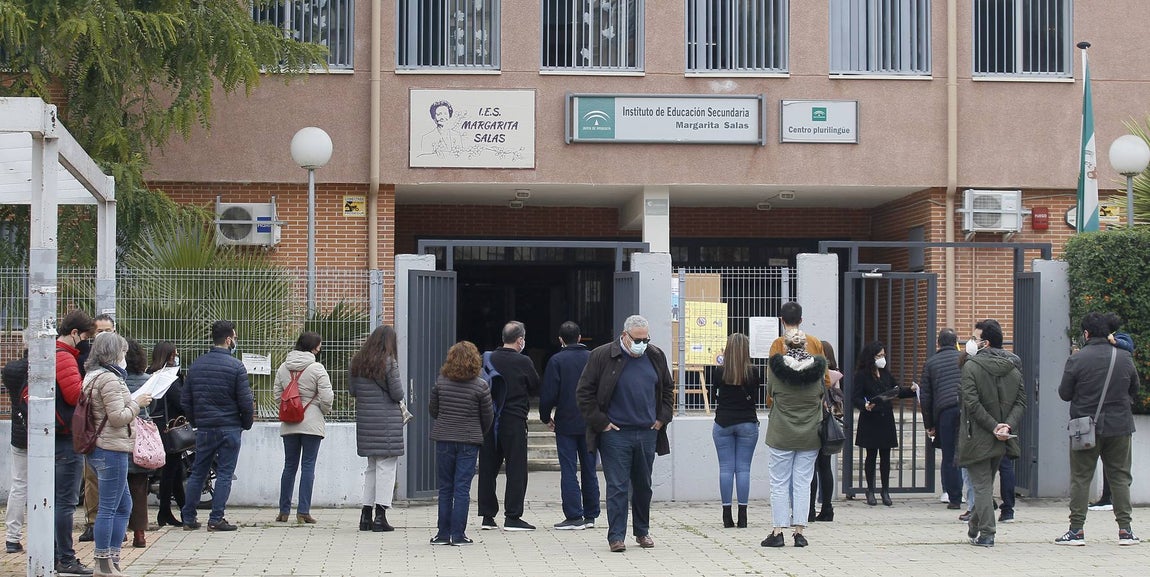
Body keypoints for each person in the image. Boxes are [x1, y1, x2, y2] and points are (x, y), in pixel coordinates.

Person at [576, 314, 674, 553]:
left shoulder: (655, 355)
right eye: (637, 339)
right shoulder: (602, 355)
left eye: (646, 338)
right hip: (615, 434)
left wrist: (662, 419)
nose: (642, 343)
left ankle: (642, 531)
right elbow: (584, 393)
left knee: (643, 485)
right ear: (624, 336)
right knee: (618, 486)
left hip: (647, 431)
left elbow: (667, 389)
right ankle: (616, 537)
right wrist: (602, 423)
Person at [1055, 312, 1140, 546]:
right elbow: (1135, 389)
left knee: (1081, 478)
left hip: (1085, 427)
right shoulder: (1124, 357)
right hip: (1120, 425)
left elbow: (1064, 393)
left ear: (1086, 334)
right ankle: (1125, 530)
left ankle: (1076, 531)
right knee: (1121, 477)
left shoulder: (1077, 359)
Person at [83, 332, 153, 576]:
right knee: (110, 507)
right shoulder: (110, 380)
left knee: (124, 505)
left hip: (104, 447)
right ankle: (103, 562)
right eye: (122, 352)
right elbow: (117, 417)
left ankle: (112, 559)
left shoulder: (93, 375)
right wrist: (138, 403)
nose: (125, 357)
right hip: (110, 448)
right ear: (113, 353)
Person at [181, 320, 253, 532]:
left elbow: (186, 400)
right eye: (235, 338)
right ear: (228, 339)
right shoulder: (236, 366)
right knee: (224, 473)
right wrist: (245, 424)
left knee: (198, 472)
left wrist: (197, 421)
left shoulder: (197, 365)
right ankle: (216, 518)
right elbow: (245, 401)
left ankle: (188, 518)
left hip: (205, 428)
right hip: (230, 427)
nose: (235, 342)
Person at [958, 319, 1024, 547]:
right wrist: (1006, 425)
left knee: (982, 486)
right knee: (984, 484)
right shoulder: (1014, 367)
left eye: (975, 338)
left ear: (985, 343)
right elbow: (1020, 402)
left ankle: (987, 533)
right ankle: (974, 526)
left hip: (977, 435)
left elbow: (971, 403)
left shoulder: (971, 367)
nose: (971, 342)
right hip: (1003, 437)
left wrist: (993, 425)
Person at [760, 329, 827, 548]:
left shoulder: (776, 370)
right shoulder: (818, 370)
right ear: (806, 346)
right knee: (802, 483)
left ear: (786, 346)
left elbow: (770, 393)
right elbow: (821, 394)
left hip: (781, 432)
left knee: (779, 483)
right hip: (809, 434)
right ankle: (799, 533)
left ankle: (778, 531)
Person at [428, 341, 494, 546]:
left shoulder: (441, 382)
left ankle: (442, 534)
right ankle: (458, 535)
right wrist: (477, 432)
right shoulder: (481, 385)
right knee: (462, 489)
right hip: (468, 441)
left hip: (444, 439)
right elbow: (488, 417)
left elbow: (433, 410)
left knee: (445, 488)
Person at [477, 321, 541, 532]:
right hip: (514, 420)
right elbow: (534, 387)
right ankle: (513, 516)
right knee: (516, 469)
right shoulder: (524, 361)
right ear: (520, 340)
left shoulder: (487, 358)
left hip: (488, 420)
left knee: (488, 468)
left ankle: (487, 516)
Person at [539, 321, 599, 531]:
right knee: (590, 468)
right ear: (580, 337)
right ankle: (591, 514)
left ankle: (574, 516)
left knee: (569, 469)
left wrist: (546, 417)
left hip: (565, 422)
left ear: (561, 340)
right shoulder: (593, 358)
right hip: (591, 422)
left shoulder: (556, 360)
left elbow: (548, 394)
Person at [349, 326, 405, 533]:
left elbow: (353, 391)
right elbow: (397, 394)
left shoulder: (356, 362)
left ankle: (365, 515)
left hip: (366, 421)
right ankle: (381, 516)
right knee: (386, 469)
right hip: (386, 423)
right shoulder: (389, 362)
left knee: (371, 468)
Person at [273, 331, 334, 525]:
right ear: (315, 347)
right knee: (308, 466)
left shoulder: (283, 367)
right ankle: (303, 511)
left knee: (289, 466)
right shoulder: (317, 368)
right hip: (312, 422)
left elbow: (277, 394)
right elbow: (327, 397)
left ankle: (283, 511)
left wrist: (289, 409)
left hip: (289, 423)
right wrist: (321, 410)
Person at [851, 341, 918, 507]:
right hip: (871, 418)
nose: (882, 358)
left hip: (885, 418)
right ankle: (870, 490)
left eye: (883, 355)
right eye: (879, 356)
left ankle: (885, 490)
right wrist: (864, 405)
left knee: (886, 456)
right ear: (871, 357)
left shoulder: (885, 373)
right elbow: (856, 396)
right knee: (871, 456)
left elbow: (895, 390)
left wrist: (910, 390)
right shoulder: (862, 375)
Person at [55, 309, 96, 575]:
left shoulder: (50, 353)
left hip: (54, 434)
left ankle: (53, 554)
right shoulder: (66, 358)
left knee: (56, 499)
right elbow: (74, 395)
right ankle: (65, 558)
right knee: (65, 502)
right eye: (84, 336)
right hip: (66, 437)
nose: (85, 342)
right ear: (74, 334)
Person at [710, 333, 761, 529]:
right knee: (743, 468)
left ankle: (726, 516)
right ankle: (743, 516)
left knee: (725, 468)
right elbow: (755, 395)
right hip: (747, 422)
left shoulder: (719, 371)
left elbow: (716, 395)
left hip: (723, 422)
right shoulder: (754, 372)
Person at [79, 314, 118, 544]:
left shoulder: (121, 356)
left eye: (108, 331)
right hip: (91, 428)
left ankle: (113, 525)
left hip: (114, 431)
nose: (103, 335)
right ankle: (92, 522)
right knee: (91, 478)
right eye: (99, 331)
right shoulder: (86, 358)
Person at [919, 328, 963, 509]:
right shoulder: (965, 359)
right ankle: (976, 495)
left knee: (949, 454)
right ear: (956, 342)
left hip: (945, 412)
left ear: (938, 343)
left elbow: (925, 397)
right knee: (969, 453)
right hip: (966, 409)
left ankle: (954, 498)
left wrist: (929, 424)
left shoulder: (931, 363)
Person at [147, 342, 186, 528]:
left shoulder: (149, 373)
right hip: (170, 431)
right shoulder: (170, 378)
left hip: (154, 427)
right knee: (171, 472)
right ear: (170, 356)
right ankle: (166, 512)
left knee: (175, 471)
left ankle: (181, 510)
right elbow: (181, 402)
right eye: (175, 354)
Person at [122, 340, 155, 548]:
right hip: (141, 437)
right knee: (139, 488)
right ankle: (140, 534)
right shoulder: (148, 380)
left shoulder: (117, 380)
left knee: (117, 487)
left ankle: (120, 530)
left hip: (120, 434)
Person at [809, 341, 842, 522]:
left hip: (815, 422)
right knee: (825, 467)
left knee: (811, 468)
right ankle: (827, 508)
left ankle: (810, 509)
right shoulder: (835, 375)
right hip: (829, 424)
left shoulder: (816, 373)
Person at [3, 349, 28, 554]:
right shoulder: (49, 367)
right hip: (47, 433)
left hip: (19, 433)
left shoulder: (11, 369)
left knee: (19, 485)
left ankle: (12, 537)